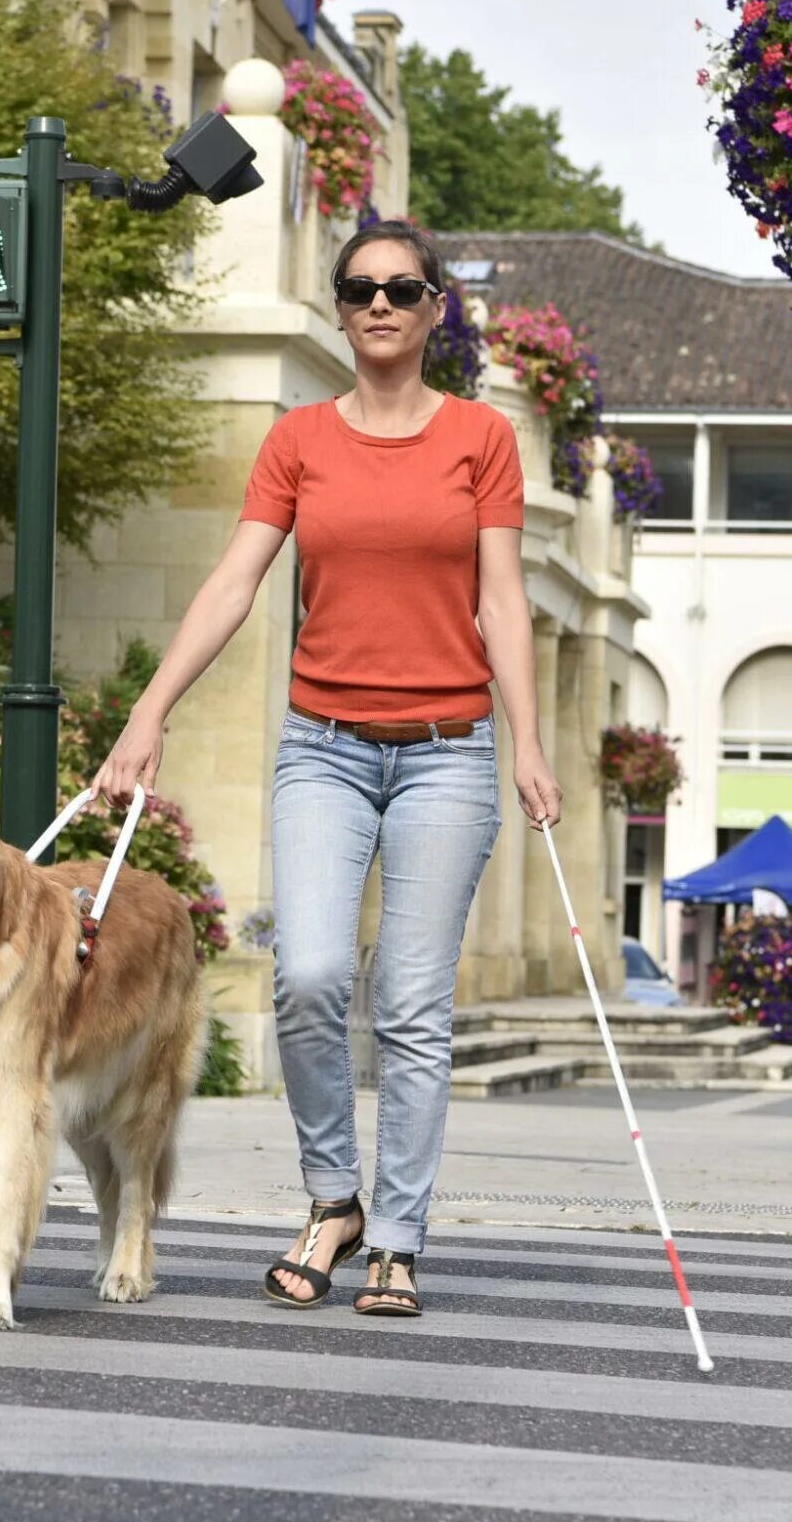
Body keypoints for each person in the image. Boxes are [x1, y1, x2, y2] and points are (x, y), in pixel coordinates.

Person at [92, 219, 562, 1318]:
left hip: (448, 755)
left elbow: (502, 600)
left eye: (402, 287)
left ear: (436, 307)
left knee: (409, 1003)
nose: (381, 303)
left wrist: (526, 741)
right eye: (359, 288)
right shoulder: (299, 439)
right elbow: (230, 582)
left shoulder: (480, 438)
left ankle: (396, 1234)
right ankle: (331, 1197)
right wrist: (148, 711)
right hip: (324, 750)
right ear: (341, 309)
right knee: (306, 978)